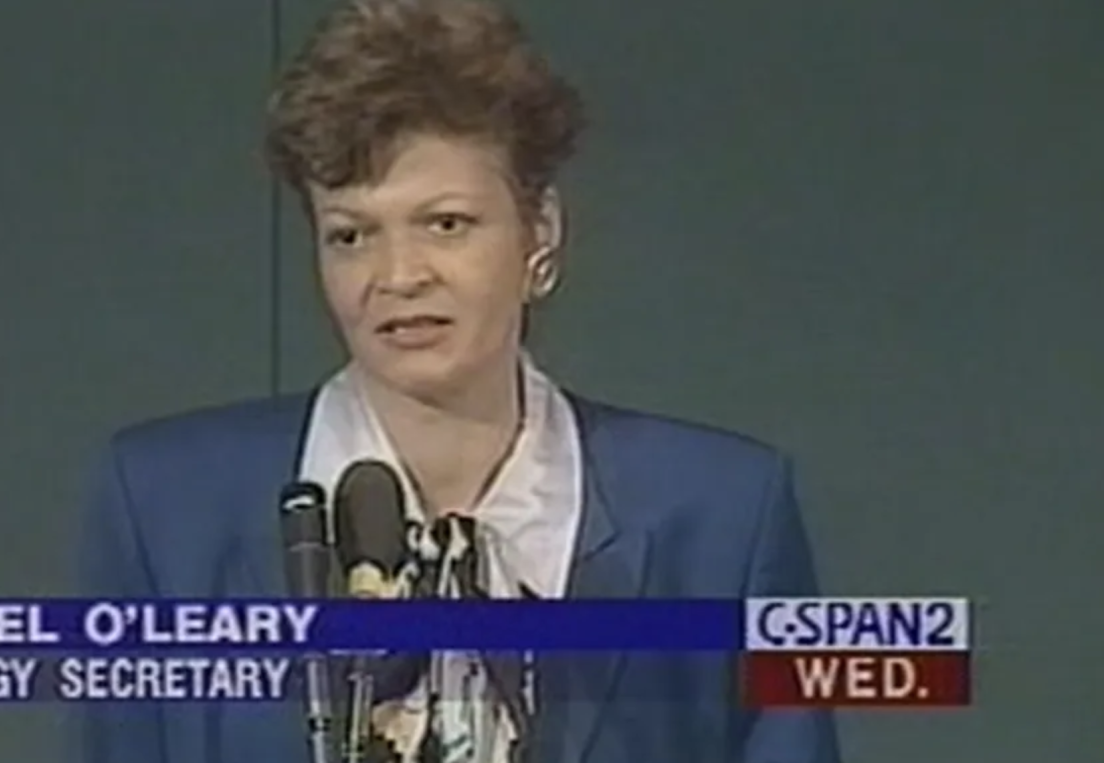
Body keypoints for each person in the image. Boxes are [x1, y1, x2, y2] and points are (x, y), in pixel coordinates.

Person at [76, 1, 841, 761]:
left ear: (540, 231)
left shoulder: (721, 516)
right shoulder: (165, 508)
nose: (398, 276)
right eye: (351, 235)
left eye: (445, 223)